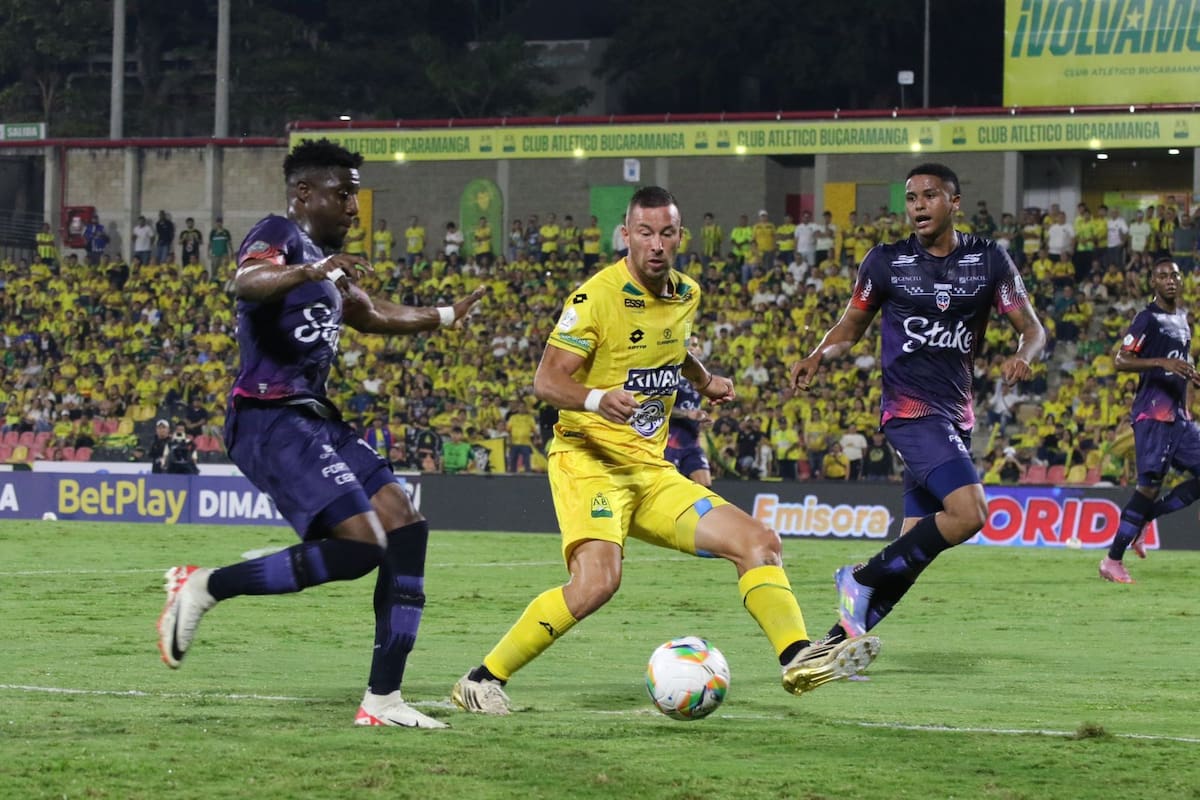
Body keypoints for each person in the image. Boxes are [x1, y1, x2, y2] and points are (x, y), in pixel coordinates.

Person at [450, 186, 879, 717]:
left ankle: (797, 658)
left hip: (649, 470)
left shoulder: (685, 293)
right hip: (590, 464)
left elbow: (672, 349)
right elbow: (545, 381)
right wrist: (595, 397)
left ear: (680, 236)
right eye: (645, 233)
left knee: (758, 541)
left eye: (666, 233)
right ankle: (480, 679)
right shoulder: (594, 298)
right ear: (625, 235)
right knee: (597, 582)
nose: (656, 244)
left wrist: (705, 378)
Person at [155, 138, 487, 729]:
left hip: (315, 417)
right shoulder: (278, 233)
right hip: (269, 416)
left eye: (355, 196)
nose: (353, 209)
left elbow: (373, 313)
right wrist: (309, 269)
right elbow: (248, 280)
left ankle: (382, 701)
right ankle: (204, 586)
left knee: (405, 526)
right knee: (362, 546)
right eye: (343, 194)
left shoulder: (327, 268)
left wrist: (445, 316)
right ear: (304, 194)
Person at [790, 162, 1045, 646]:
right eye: (911, 198)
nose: (918, 206)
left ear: (954, 202)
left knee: (913, 549)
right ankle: (860, 577)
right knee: (970, 513)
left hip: (956, 415)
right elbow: (850, 326)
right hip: (909, 411)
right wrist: (819, 353)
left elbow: (1032, 328)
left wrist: (1023, 356)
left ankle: (832, 648)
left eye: (929, 196)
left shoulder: (989, 259)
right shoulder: (886, 261)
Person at [1099, 258, 1200, 583]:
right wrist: (1161, 363)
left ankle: (1145, 519)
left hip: (1179, 417)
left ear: (1181, 281)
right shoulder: (1147, 318)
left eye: (1174, 275)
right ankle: (1112, 560)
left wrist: (1190, 377)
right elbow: (1120, 360)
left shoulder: (1183, 320)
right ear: (1153, 283)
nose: (1169, 280)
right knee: (1148, 488)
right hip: (1153, 414)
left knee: (1152, 495)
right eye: (1162, 276)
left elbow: (1179, 364)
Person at [665, 335, 714, 487]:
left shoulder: (702, 380)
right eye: (689, 345)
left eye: (696, 345)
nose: (693, 347)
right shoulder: (671, 376)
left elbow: (693, 409)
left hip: (691, 443)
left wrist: (702, 418)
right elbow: (662, 408)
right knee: (668, 490)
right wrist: (687, 414)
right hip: (669, 443)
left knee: (706, 487)